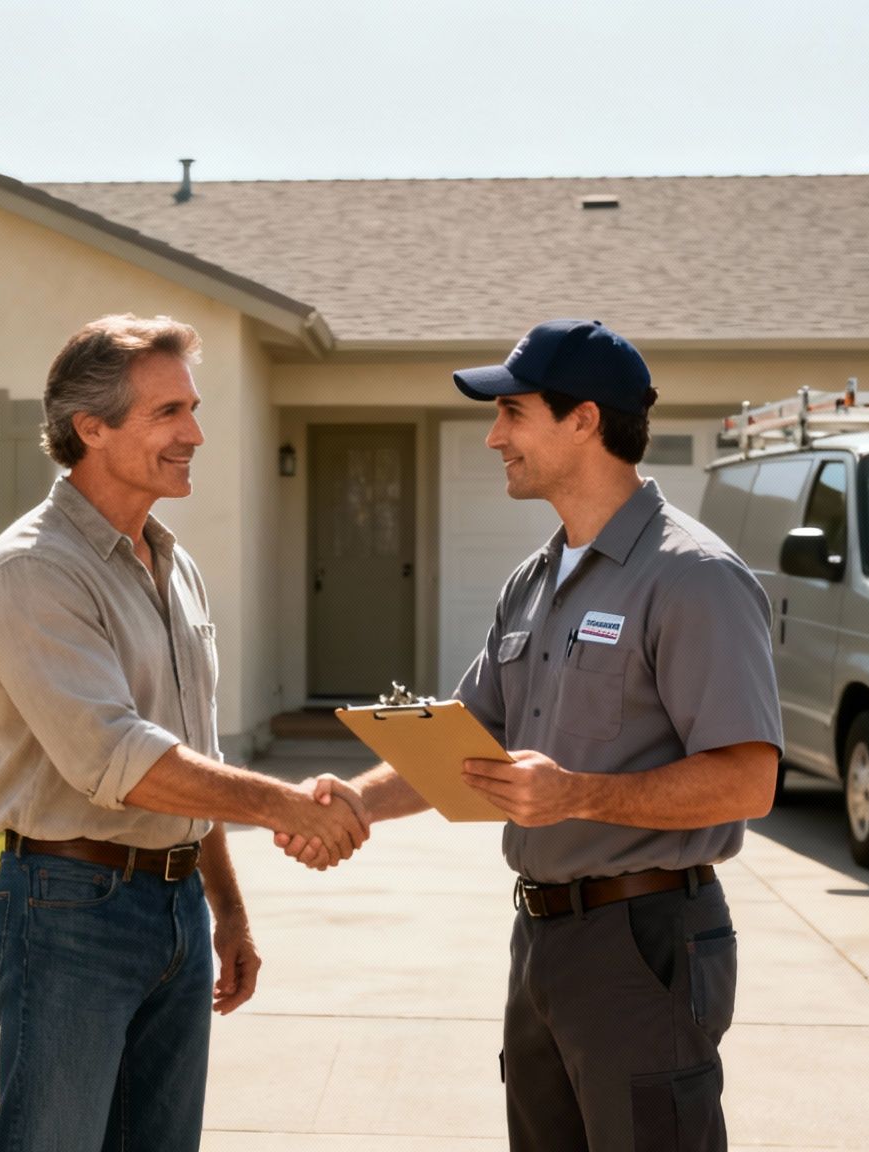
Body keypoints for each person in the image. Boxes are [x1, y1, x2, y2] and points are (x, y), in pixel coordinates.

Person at [283, 318, 782, 1151]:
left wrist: (575, 793)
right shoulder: (534, 579)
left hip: (644, 941)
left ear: (583, 419)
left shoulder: (692, 577)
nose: (493, 436)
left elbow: (746, 781)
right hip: (544, 942)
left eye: (513, 413)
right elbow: (469, 742)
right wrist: (353, 804)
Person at [0, 314, 369, 1152]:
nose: (196, 434)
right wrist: (290, 807)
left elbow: (191, 753)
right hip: (71, 909)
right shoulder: (35, 571)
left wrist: (227, 910)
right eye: (168, 414)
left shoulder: (171, 563)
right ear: (91, 427)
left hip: (177, 906)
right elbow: (122, 760)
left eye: (192, 408)